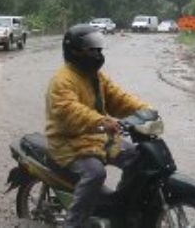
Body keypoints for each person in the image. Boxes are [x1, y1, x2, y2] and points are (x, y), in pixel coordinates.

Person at [45, 24, 151, 228]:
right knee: (95, 173)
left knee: (136, 156)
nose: (96, 54)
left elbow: (118, 98)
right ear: (74, 51)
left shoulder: (96, 77)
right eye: (91, 49)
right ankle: (74, 223)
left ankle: (120, 206)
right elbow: (69, 110)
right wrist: (102, 121)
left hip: (96, 138)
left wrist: (144, 110)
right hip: (68, 142)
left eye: (98, 49)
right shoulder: (62, 80)